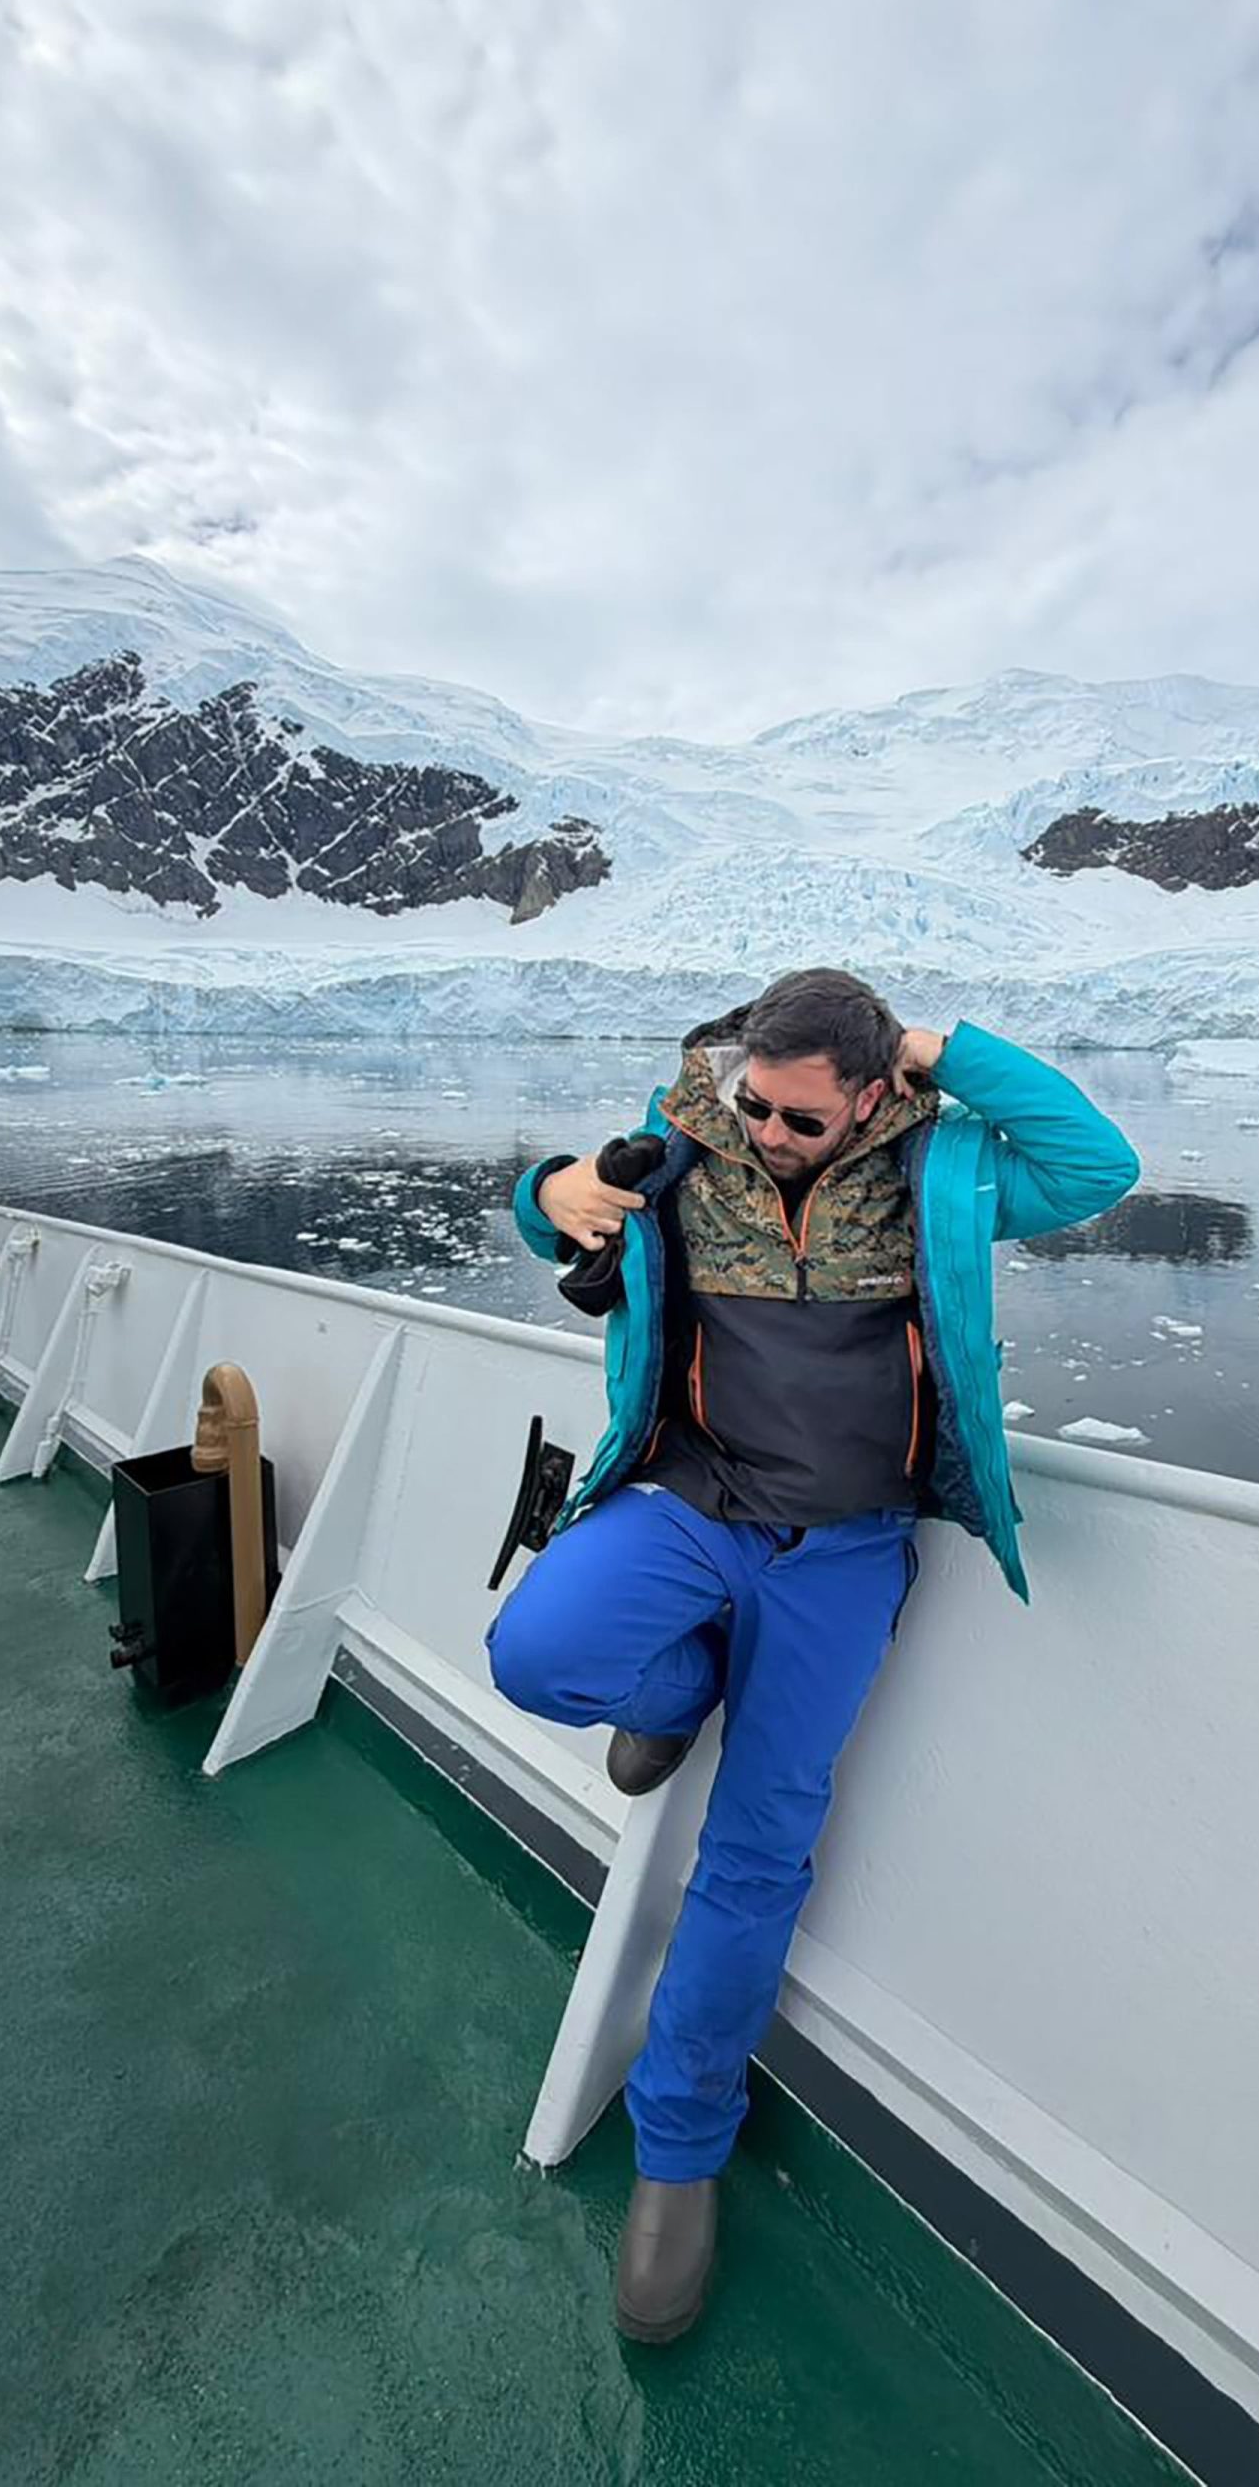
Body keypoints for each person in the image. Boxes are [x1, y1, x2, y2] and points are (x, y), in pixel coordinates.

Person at [485, 967, 1140, 2344]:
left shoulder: (942, 1174)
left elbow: (1097, 1162)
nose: (767, 1133)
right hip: (693, 1500)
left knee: (758, 1847)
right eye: (755, 1104)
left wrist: (930, 1046)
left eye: (798, 1117)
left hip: (845, 1548)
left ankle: (679, 2151)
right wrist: (550, 1188)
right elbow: (559, 1191)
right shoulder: (690, 1149)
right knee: (538, 1658)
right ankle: (688, 1680)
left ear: (874, 1096)